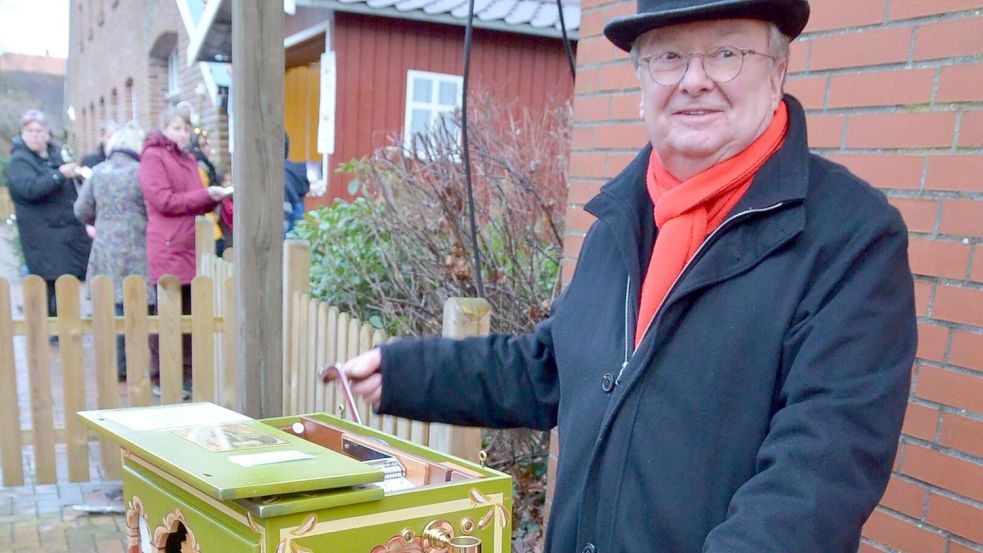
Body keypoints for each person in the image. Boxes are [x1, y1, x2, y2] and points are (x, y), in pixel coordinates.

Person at [322, 1, 918, 551]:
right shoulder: (623, 220)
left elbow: (818, 475)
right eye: (668, 56)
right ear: (641, 82)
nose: (693, 79)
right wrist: (403, 373)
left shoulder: (851, 238)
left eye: (726, 53)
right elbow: (550, 370)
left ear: (778, 70)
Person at [139, 104, 232, 394]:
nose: (183, 133)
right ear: (164, 129)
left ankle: (188, 375)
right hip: (168, 244)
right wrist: (204, 195)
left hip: (190, 242)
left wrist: (210, 197)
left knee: (190, 313)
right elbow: (163, 200)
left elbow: (191, 198)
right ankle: (161, 376)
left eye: (186, 128)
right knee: (167, 312)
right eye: (177, 128)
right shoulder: (153, 157)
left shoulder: (189, 159)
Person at [73, 123, 155, 381]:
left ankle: (118, 364)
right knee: (137, 304)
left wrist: (102, 219)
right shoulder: (142, 173)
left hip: (106, 246)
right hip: (137, 246)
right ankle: (136, 361)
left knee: (112, 304)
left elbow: (81, 210)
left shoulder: (99, 172)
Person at [4, 109, 90, 319]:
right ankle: (52, 333)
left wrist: (76, 173)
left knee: (68, 283)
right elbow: (30, 189)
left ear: (47, 133)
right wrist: (59, 174)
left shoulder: (57, 153)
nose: (34, 134)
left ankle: (66, 326)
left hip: (68, 235)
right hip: (43, 237)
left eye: (39, 130)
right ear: (23, 133)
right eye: (29, 130)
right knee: (48, 287)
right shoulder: (19, 162)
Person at [283, 133, 309, 235]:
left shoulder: (278, 179)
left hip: (284, 246)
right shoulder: (290, 174)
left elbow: (280, 227)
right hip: (296, 243)